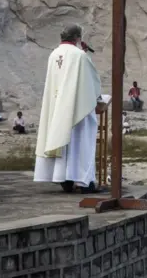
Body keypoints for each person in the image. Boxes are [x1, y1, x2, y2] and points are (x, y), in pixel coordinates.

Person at [34, 24, 103, 194]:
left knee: (64, 143)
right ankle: (84, 182)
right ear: (78, 38)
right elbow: (89, 80)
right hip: (76, 110)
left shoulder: (54, 55)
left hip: (58, 109)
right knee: (81, 143)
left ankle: (64, 179)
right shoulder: (79, 56)